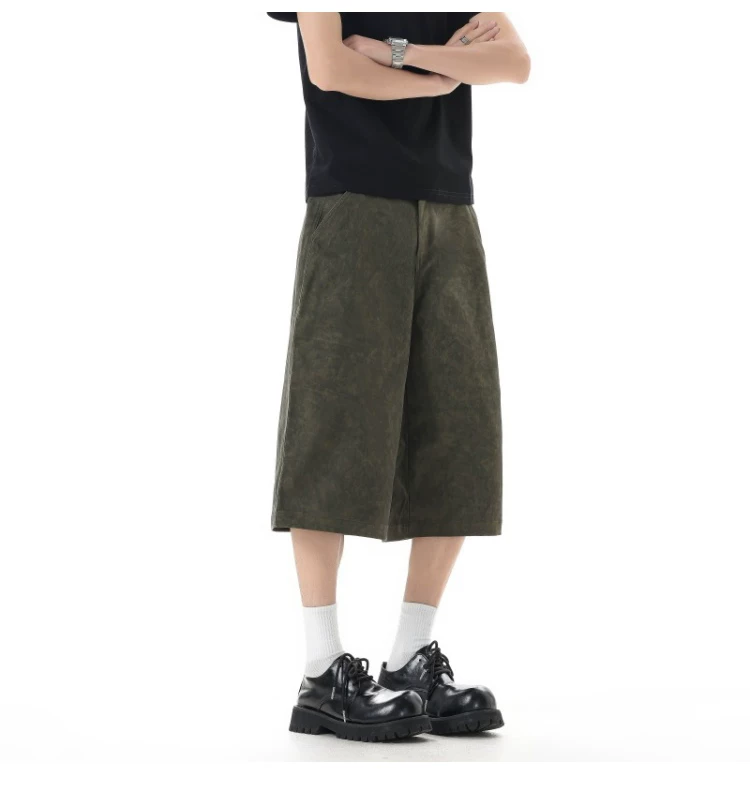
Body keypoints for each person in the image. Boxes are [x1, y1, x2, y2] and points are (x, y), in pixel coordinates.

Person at [266, 12, 530, 742]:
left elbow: (513, 62)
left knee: (458, 428)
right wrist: (445, 75)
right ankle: (322, 672)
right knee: (332, 427)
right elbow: (330, 68)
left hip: (450, 209)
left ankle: (412, 657)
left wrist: (399, 54)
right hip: (353, 205)